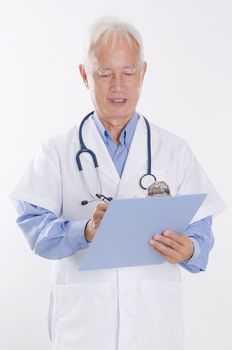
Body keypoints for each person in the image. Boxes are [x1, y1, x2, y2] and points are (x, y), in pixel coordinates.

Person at [10, 16, 226, 350]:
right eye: (105, 73)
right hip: (84, 325)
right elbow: (33, 225)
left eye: (128, 73)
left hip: (155, 326)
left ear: (143, 73)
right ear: (84, 75)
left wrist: (191, 249)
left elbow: (202, 231)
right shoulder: (57, 151)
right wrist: (84, 232)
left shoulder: (175, 150)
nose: (118, 86)